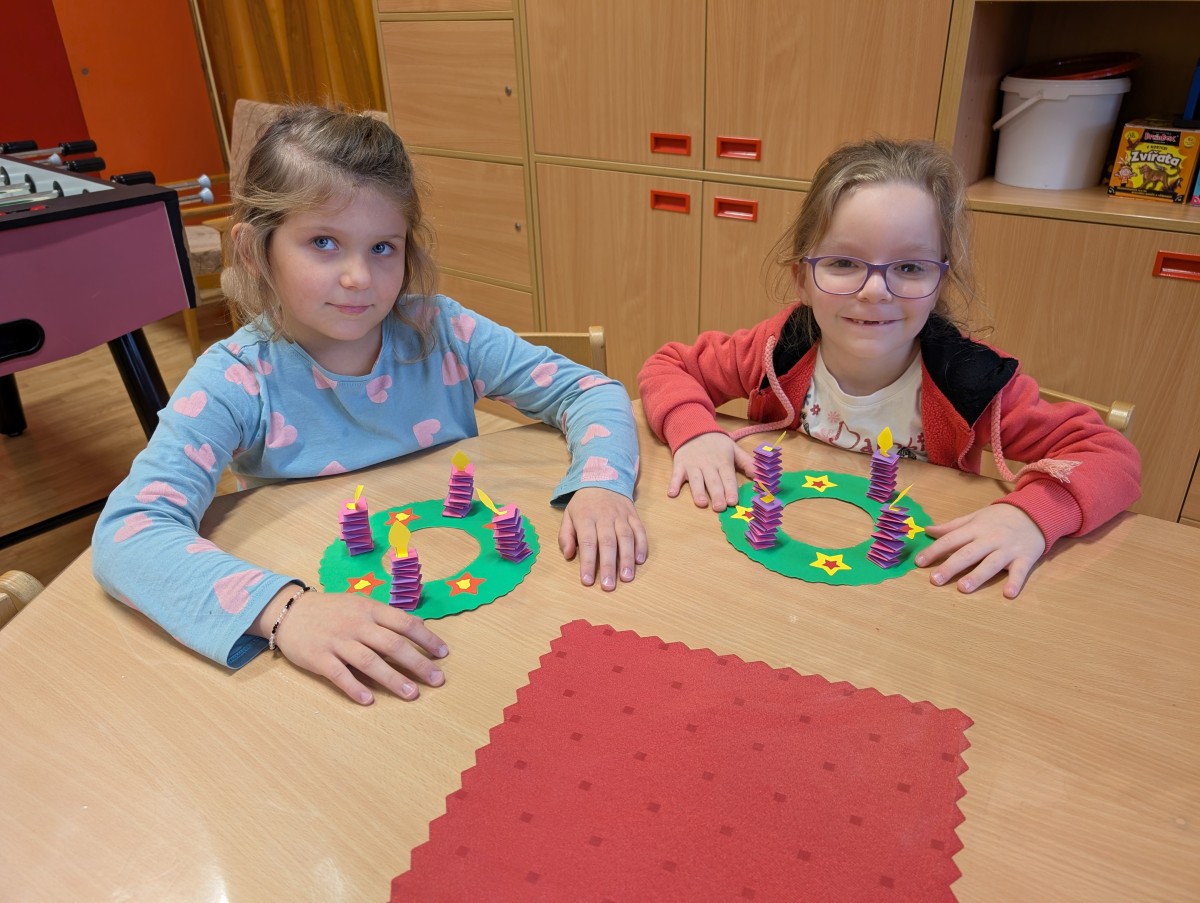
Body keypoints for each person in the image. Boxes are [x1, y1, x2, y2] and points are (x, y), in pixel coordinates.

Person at [93, 105, 647, 705]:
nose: (359, 276)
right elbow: (130, 534)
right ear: (254, 250)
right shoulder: (235, 380)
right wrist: (286, 611)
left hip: (482, 626)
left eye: (383, 246)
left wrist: (601, 484)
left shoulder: (446, 331)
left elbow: (589, 390)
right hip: (331, 633)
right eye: (324, 242)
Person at [638, 136, 1140, 599]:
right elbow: (669, 367)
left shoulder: (971, 382)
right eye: (844, 263)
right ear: (802, 279)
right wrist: (695, 433)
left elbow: (1111, 456)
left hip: (907, 589)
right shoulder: (777, 348)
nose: (875, 290)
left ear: (939, 284)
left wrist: (1031, 516)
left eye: (909, 267)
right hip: (772, 578)